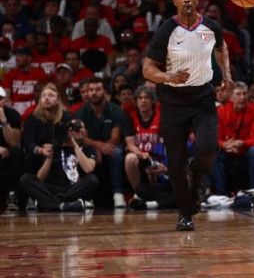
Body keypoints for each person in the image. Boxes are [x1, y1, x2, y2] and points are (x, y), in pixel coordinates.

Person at [143, 0, 233, 231]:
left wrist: (226, 75)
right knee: (175, 161)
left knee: (208, 149)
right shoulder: (167, 30)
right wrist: (168, 77)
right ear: (174, 1)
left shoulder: (211, 27)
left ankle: (197, 171)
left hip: (202, 97)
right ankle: (185, 213)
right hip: (173, 100)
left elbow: (221, 47)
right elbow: (147, 69)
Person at [19, 117, 98, 212]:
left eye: (81, 127)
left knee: (92, 180)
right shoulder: (54, 147)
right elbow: (40, 178)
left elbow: (88, 169)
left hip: (73, 189)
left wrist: (74, 145)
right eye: (74, 128)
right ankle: (65, 204)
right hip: (52, 188)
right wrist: (50, 156)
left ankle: (51, 204)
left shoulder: (89, 149)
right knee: (25, 179)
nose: (79, 131)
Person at [74, 77, 126, 208]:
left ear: (105, 91)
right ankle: (87, 196)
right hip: (90, 147)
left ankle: (118, 193)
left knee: (117, 152)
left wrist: (104, 147)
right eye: (90, 90)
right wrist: (99, 146)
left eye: (97, 89)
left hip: (111, 145)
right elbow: (82, 138)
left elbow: (116, 136)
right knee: (84, 152)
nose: (93, 93)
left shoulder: (115, 109)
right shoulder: (81, 113)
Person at [123, 85, 175, 210]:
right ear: (136, 101)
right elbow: (130, 144)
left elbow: (165, 143)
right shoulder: (130, 117)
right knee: (130, 158)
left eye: (146, 98)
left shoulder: (161, 117)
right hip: (140, 156)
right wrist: (141, 154)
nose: (143, 101)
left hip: (157, 156)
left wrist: (158, 160)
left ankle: (153, 195)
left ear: (152, 101)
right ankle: (138, 192)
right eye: (140, 98)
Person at [212, 82, 254, 196]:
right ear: (230, 97)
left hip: (244, 152)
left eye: (244, 94)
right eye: (238, 94)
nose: (242, 97)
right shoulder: (221, 111)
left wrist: (242, 143)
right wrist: (224, 145)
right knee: (214, 153)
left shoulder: (253, 111)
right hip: (227, 152)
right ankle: (221, 195)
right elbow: (214, 138)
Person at [0, 86, 22, 213]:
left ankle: (12, 195)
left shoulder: (13, 114)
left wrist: (3, 120)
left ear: (6, 100)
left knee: (15, 152)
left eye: (0, 98)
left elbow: (14, 142)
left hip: (8, 154)